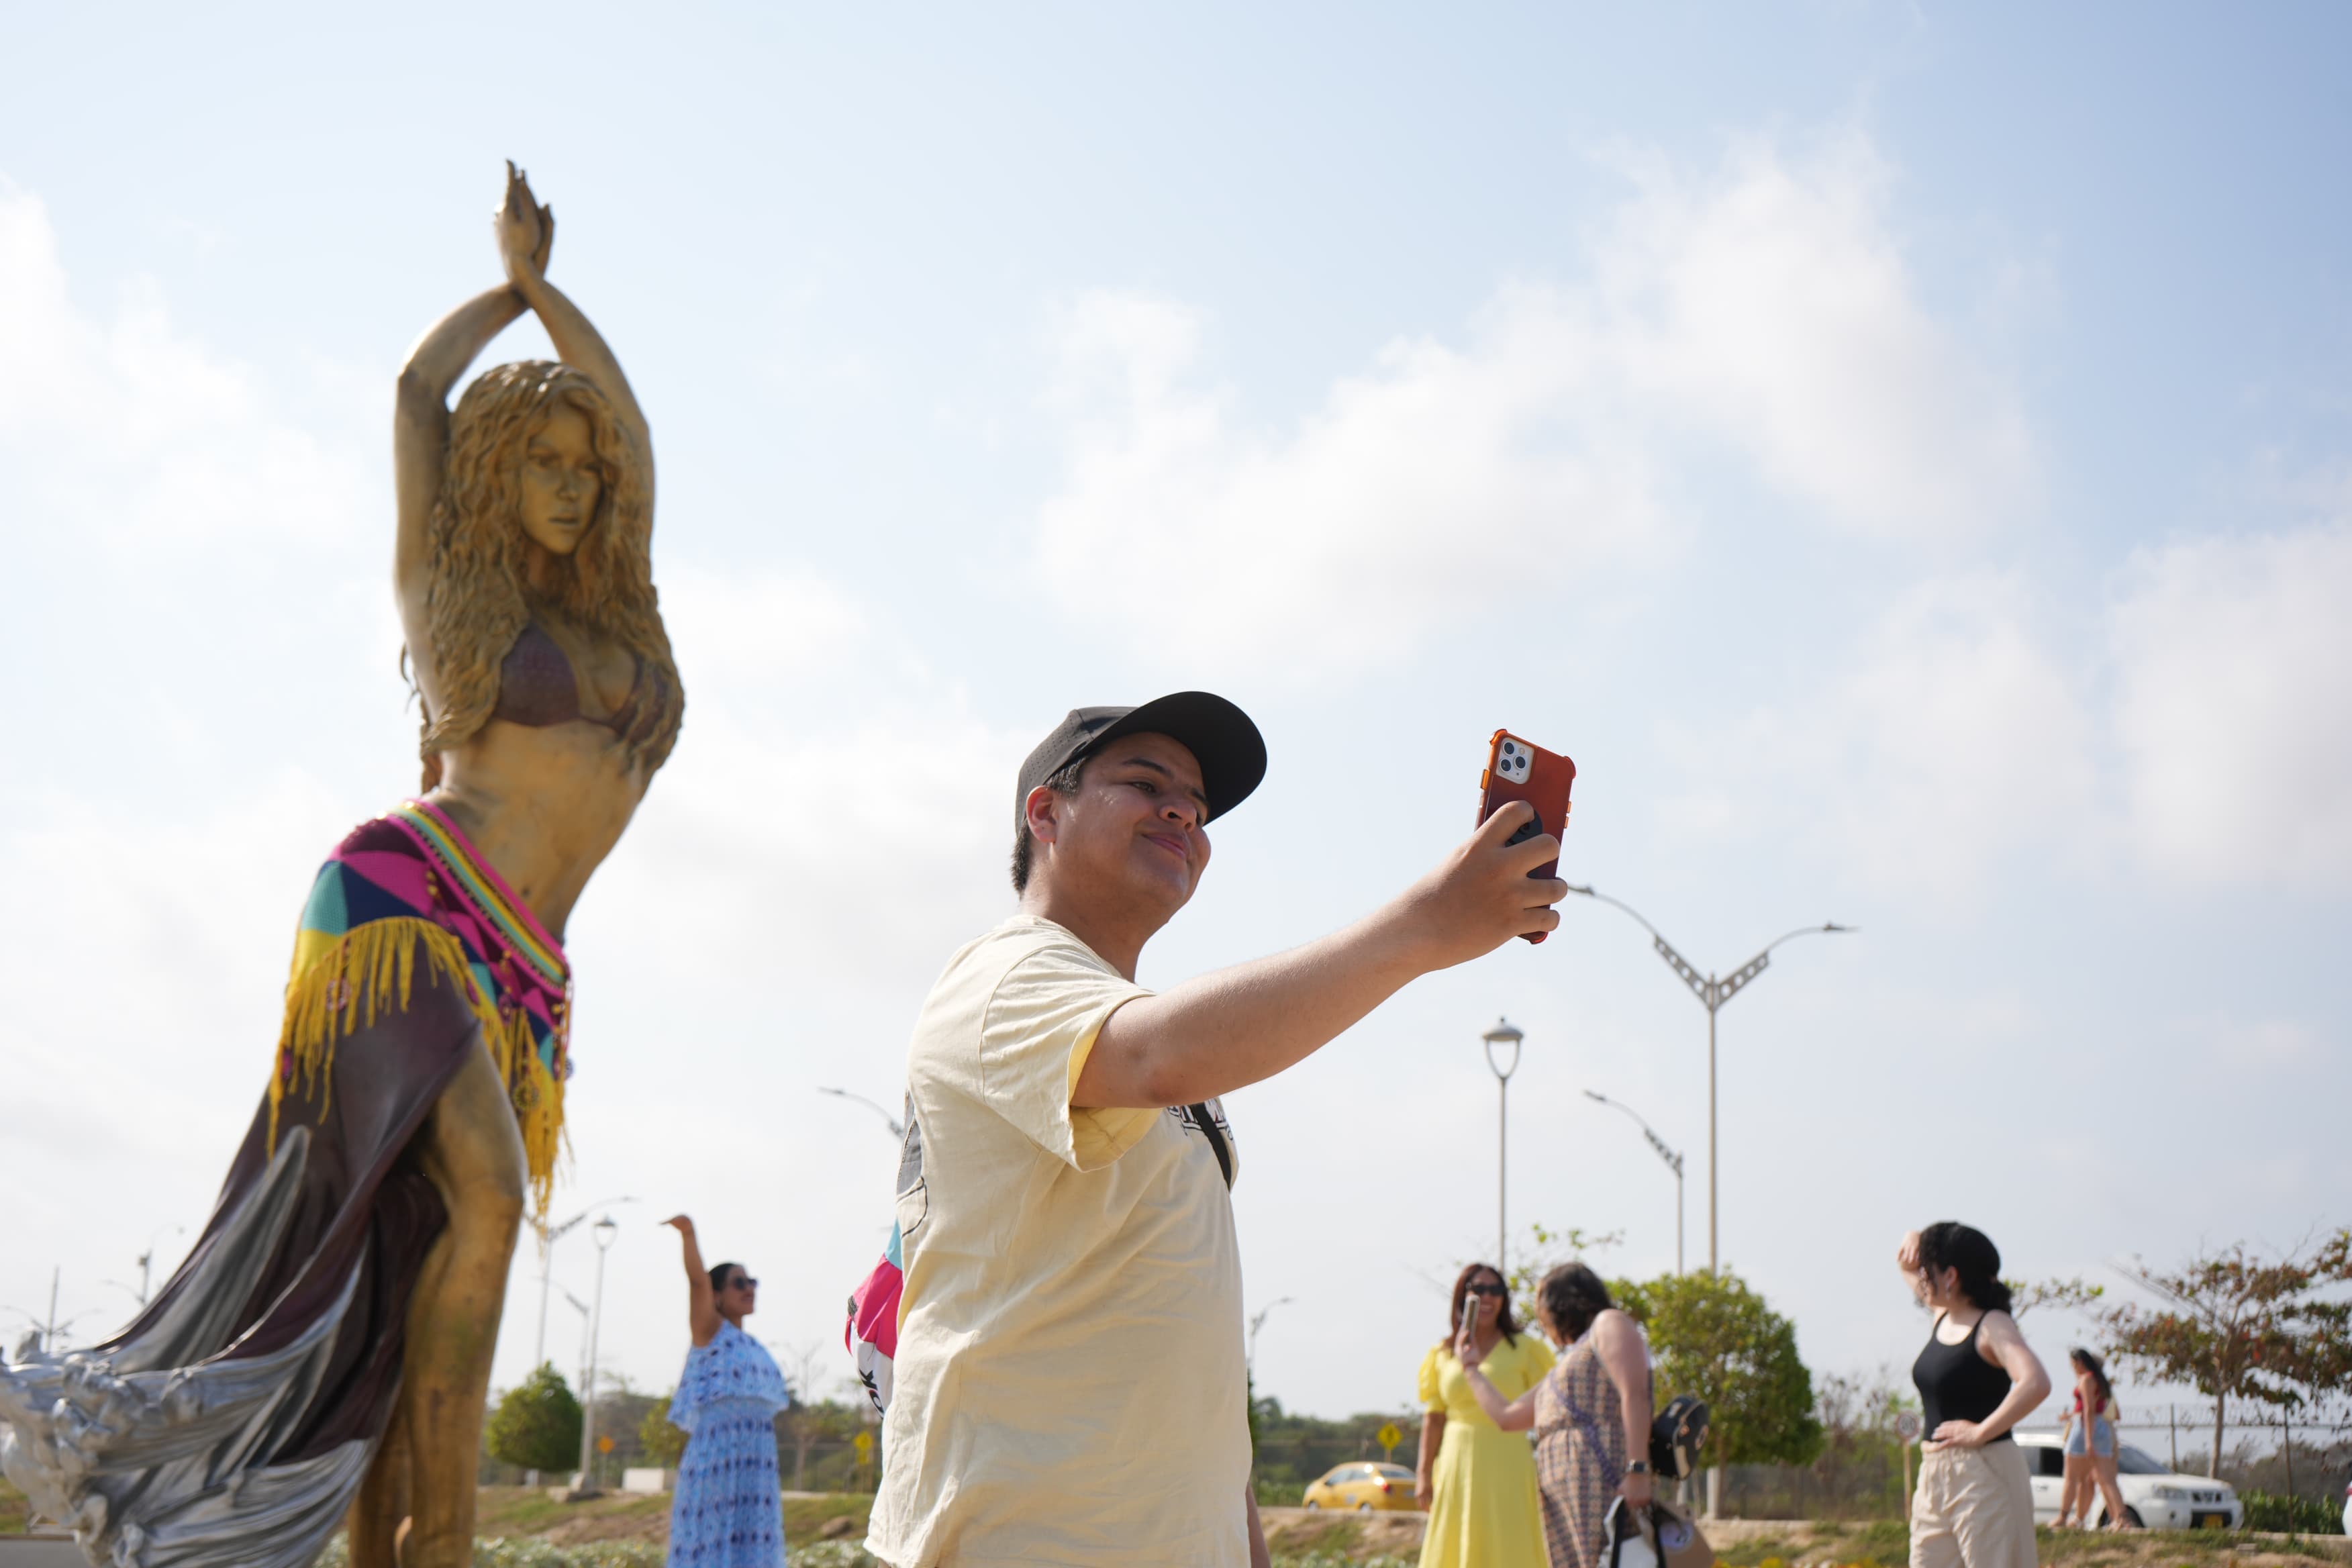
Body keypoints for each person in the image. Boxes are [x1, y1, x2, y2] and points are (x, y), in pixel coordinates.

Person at [0, 162, 683, 1568]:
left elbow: (636, 428)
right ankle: (445, 1547)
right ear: (500, 478)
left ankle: (376, 1545)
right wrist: (515, 285)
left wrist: (567, 309)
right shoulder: (452, 609)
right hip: (402, 903)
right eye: (542, 462)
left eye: (583, 465)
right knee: (487, 1194)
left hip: (529, 974)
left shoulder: (629, 616)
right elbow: (414, 402)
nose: (569, 481)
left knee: (410, 1266)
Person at [863, 693, 1571, 1568]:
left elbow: (1179, 1320)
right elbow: (1158, 1056)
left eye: (1197, 805)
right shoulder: (1005, 975)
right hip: (1029, 1534)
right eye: (1144, 782)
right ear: (1045, 811)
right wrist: (1425, 926)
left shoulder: (1136, 1029)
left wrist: (1245, 1541)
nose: (1183, 813)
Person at [1456, 1264, 1654, 1568]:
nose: (1538, 1313)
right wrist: (1470, 1368)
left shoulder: (1609, 1323)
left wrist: (1638, 1469)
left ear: (1560, 1301)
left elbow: (1636, 1394)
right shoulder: (1568, 1362)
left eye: (1540, 1300)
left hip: (1606, 1481)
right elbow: (1507, 1417)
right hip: (1568, 1499)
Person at [1898, 1224, 2052, 1568]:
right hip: (1934, 1473)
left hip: (1985, 1471)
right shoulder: (1942, 1316)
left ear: (1950, 1276)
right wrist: (1915, 1237)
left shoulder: (1993, 1324)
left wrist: (1980, 1432)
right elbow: (1906, 1267)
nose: (1921, 1279)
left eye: (1929, 1271)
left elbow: (2035, 1381)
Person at [663, 1216, 791, 1567]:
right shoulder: (709, 1334)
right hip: (717, 1463)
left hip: (757, 1469)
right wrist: (689, 1235)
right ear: (717, 1295)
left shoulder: (752, 1345)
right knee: (711, 1549)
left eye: (752, 1281)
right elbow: (696, 1283)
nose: (749, 1288)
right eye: (739, 1283)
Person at [1416, 1264, 1555, 1568]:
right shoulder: (1443, 1353)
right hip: (1456, 1460)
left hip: (1510, 1459)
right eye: (1478, 1289)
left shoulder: (1526, 1349)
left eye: (1496, 1290)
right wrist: (1423, 1474)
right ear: (1462, 1296)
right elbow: (1434, 1418)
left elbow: (1549, 1408)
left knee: (1510, 1537)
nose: (1488, 1297)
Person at [2055, 1348, 2130, 1529]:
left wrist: (2088, 1440)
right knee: (2105, 1479)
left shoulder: (2087, 1379)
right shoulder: (2103, 1383)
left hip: (2085, 1429)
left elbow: (2088, 1410)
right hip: (2103, 1427)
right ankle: (2120, 1518)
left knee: (2072, 1477)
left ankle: (2063, 1517)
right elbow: (2108, 1411)